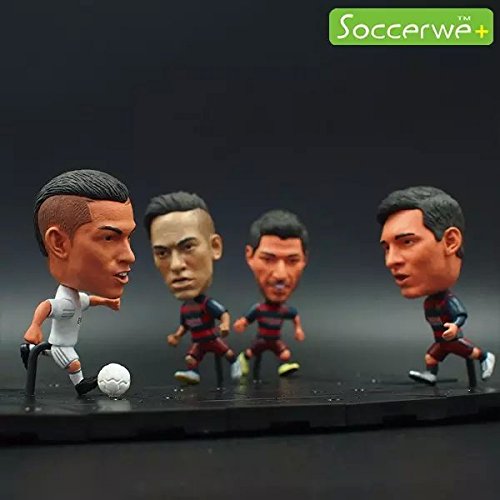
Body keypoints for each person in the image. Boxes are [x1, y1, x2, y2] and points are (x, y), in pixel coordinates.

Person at [21, 169, 136, 395]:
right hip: (63, 345)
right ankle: (79, 383)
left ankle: (31, 350)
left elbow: (88, 301)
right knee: (71, 363)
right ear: (59, 243)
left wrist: (107, 302)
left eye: (128, 237)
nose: (130, 256)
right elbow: (46, 306)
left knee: (46, 350)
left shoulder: (74, 298)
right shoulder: (64, 302)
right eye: (109, 238)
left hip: (62, 341)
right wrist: (34, 327)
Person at [377, 185, 495, 385]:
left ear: (450, 241)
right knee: (431, 357)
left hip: (451, 339)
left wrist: (454, 327)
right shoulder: (431, 302)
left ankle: (485, 357)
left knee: (468, 351)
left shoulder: (448, 301)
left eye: (407, 242)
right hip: (442, 341)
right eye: (387, 248)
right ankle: (431, 374)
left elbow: (460, 315)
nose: (390, 261)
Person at [143, 191, 241, 385]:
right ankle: (193, 373)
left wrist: (224, 325)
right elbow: (184, 326)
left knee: (225, 352)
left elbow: (223, 314)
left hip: (211, 337)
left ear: (215, 247)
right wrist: (177, 336)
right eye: (162, 253)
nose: (176, 265)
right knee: (192, 357)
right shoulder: (186, 309)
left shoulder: (207, 305)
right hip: (199, 340)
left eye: (188, 247)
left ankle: (235, 363)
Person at [233, 209, 308, 378]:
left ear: (305, 260)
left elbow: (294, 317)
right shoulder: (259, 309)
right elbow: (248, 318)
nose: (280, 275)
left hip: (274, 340)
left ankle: (284, 367)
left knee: (284, 354)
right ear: (249, 256)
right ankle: (243, 360)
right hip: (261, 339)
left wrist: (298, 330)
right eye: (268, 259)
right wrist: (242, 323)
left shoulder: (284, 311)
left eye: (292, 260)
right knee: (252, 352)